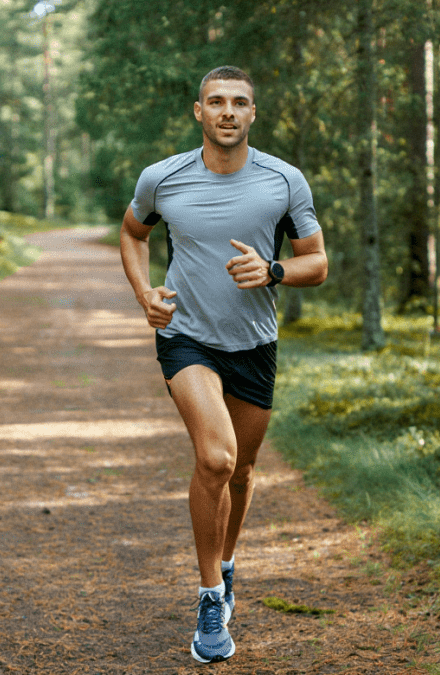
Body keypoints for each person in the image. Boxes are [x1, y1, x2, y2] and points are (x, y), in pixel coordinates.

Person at [119, 65, 328, 663]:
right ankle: (211, 597)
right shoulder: (164, 178)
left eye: (239, 103)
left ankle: (228, 563)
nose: (228, 112)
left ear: (252, 114)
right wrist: (145, 294)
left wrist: (275, 271)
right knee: (216, 458)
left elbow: (316, 260)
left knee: (243, 471)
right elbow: (133, 233)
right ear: (199, 111)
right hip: (187, 338)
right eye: (217, 102)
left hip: (255, 343)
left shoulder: (283, 182)